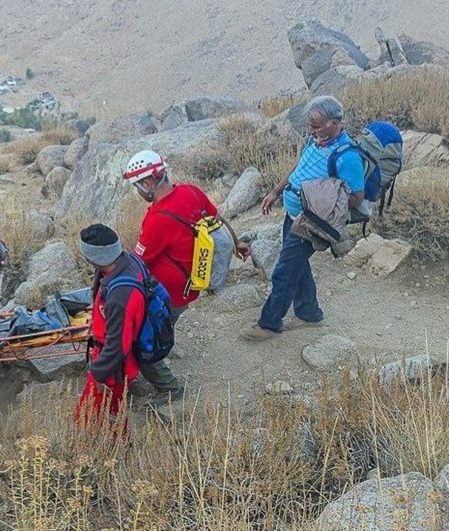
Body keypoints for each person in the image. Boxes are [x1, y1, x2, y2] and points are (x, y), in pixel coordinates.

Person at [122, 150, 250, 403]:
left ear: (148, 183)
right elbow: (217, 220)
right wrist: (236, 244)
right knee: (165, 325)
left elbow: (138, 261)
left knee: (141, 342)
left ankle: (169, 388)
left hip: (165, 294)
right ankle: (162, 342)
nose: (138, 192)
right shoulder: (191, 191)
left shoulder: (157, 219)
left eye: (137, 186)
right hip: (189, 288)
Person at [240, 96, 365, 340]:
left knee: (284, 270)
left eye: (316, 126)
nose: (311, 130)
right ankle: (309, 314)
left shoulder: (348, 156)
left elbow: (357, 196)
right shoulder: (314, 141)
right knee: (298, 265)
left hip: (312, 222)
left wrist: (322, 204)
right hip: (293, 214)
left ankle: (269, 324)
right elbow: (299, 167)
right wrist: (276, 191)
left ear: (334, 123)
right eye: (309, 125)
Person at [74, 224, 143, 434]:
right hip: (117, 356)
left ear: (93, 259)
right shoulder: (129, 262)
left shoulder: (119, 298)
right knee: (113, 409)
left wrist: (97, 374)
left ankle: (113, 444)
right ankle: (116, 438)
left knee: (90, 414)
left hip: (114, 366)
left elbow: (118, 347)